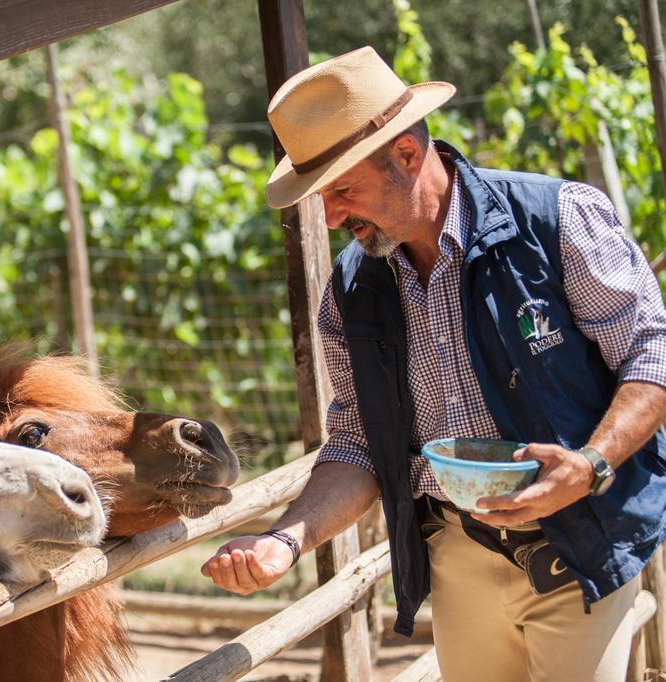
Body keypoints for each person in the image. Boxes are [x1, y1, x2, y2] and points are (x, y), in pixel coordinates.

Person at [201, 46, 666, 681]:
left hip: (577, 542)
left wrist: (590, 464)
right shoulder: (351, 290)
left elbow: (651, 354)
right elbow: (360, 444)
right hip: (456, 555)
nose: (332, 216)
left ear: (408, 156)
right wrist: (284, 540)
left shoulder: (557, 219)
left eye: (341, 190)